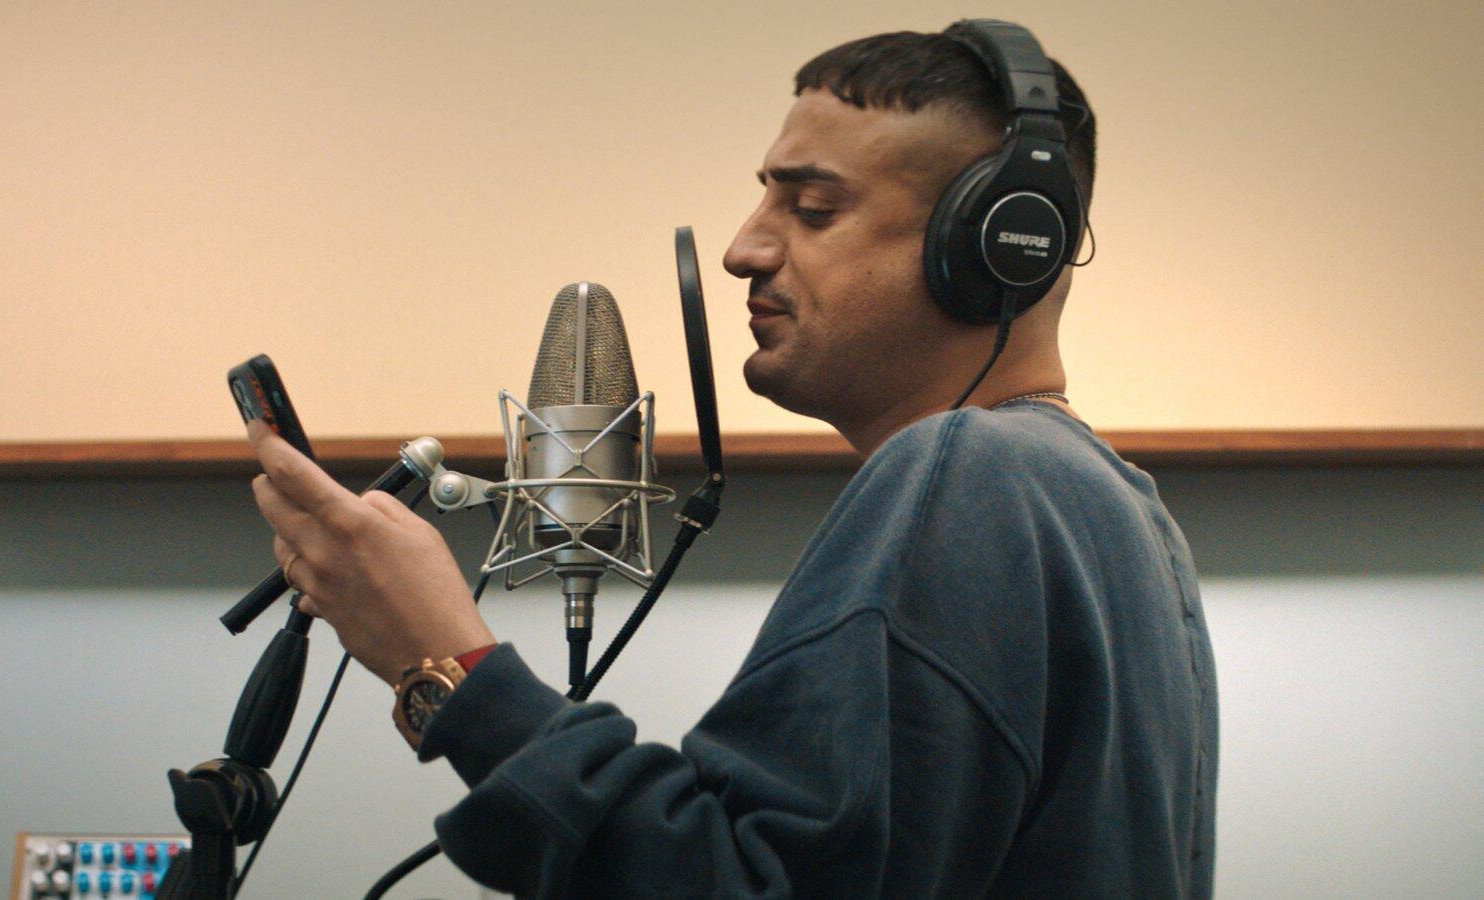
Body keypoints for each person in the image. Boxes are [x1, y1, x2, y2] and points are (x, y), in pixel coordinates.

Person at [247, 22, 1218, 898]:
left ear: (1002, 244)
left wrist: (447, 664)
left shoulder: (970, 472)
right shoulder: (1118, 510)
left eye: (813, 208)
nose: (742, 249)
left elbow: (738, 883)